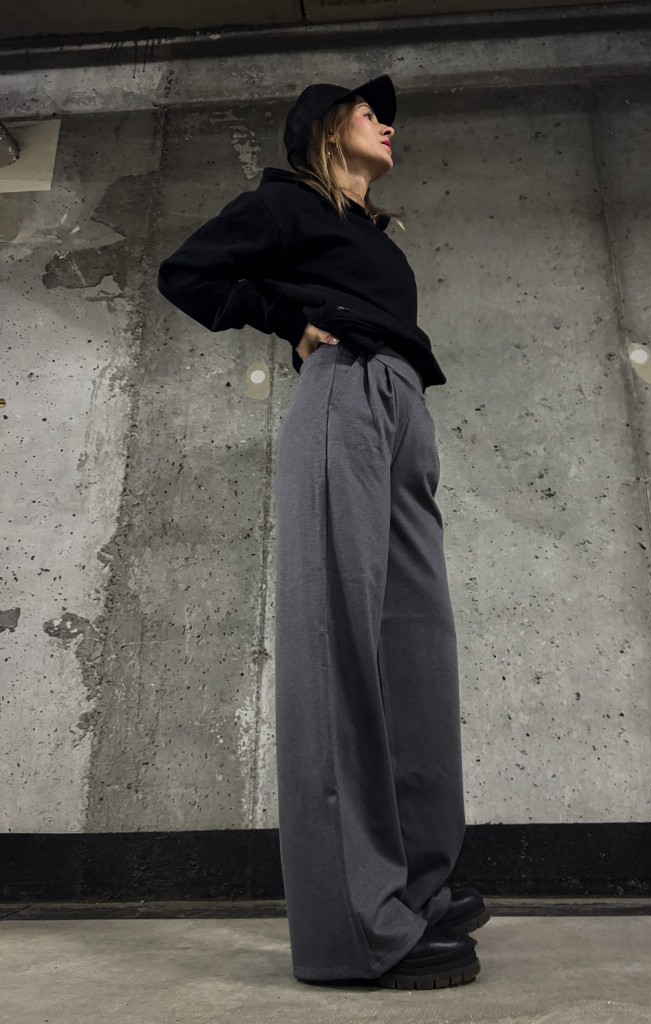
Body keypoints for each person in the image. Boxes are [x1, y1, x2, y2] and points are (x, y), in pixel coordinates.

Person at [157, 73, 489, 990]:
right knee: (338, 647)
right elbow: (186, 273)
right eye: (369, 112)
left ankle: (415, 886)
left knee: (416, 645)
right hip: (345, 395)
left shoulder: (367, 230)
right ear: (323, 130)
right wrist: (287, 321)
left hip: (400, 406)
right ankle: (354, 926)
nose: (387, 124)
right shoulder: (285, 203)